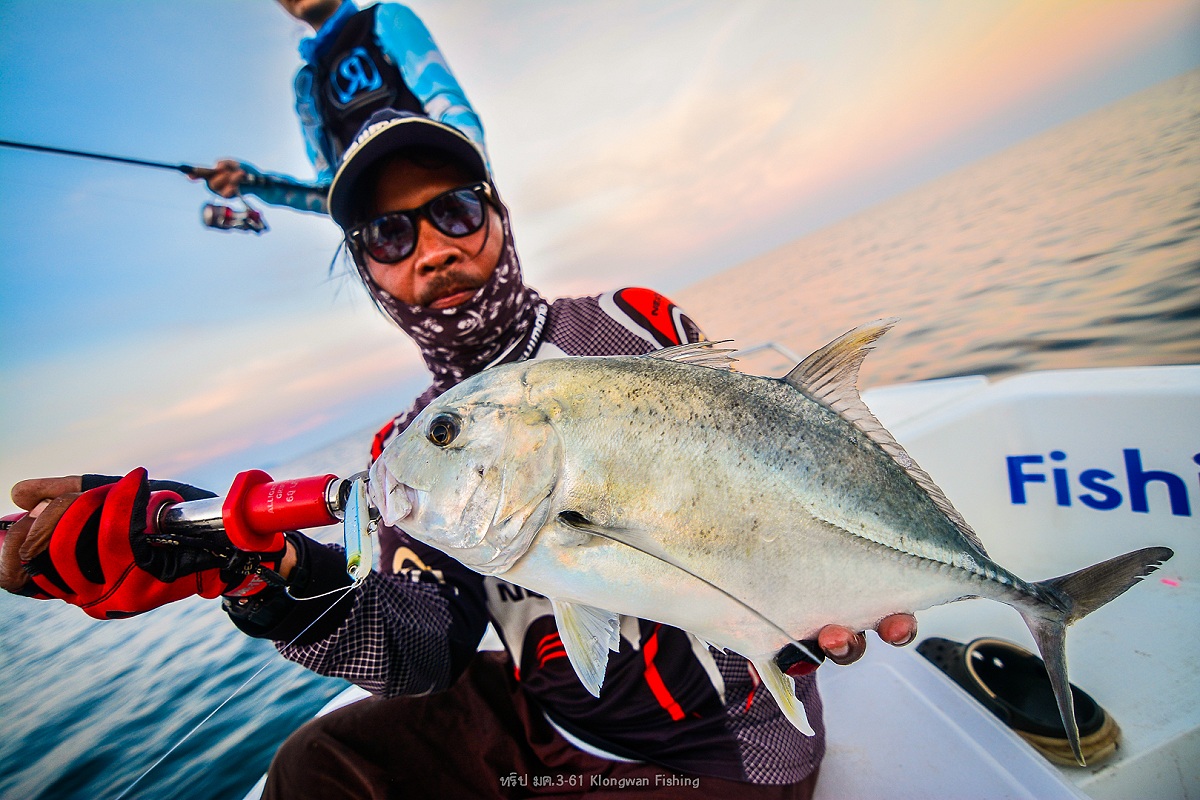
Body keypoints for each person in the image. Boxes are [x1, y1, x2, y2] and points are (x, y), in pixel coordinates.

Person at [2, 110, 918, 799]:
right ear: (370, 273)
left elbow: (762, 462)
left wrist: (813, 590)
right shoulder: (406, 450)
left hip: (722, 747)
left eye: (454, 210)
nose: (432, 248)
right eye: (391, 235)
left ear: (499, 218)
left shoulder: (627, 323)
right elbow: (420, 644)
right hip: (554, 714)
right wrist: (257, 567)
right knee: (316, 766)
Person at [198, 0, 487, 215]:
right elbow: (331, 191)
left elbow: (453, 112)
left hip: (455, 211)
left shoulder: (386, 19)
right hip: (386, 248)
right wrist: (254, 182)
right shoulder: (306, 85)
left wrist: (477, 202)